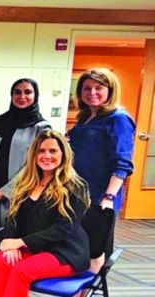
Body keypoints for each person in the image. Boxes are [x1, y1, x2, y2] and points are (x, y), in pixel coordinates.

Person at [0, 130, 91, 297]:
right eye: (41, 151)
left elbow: (63, 228)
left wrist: (20, 242)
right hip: (34, 248)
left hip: (64, 252)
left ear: (63, 154)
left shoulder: (75, 186)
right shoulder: (26, 183)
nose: (46, 156)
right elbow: (13, 218)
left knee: (21, 272)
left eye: (53, 151)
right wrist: (11, 242)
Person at [67, 68, 135, 273]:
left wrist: (108, 197)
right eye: (87, 88)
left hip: (100, 197)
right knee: (75, 248)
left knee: (93, 251)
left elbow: (122, 164)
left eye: (99, 88)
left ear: (110, 90)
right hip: (77, 193)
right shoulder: (85, 117)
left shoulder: (118, 118)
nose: (92, 92)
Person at [0, 78, 50, 229]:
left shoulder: (41, 127)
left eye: (28, 92)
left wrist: (7, 190)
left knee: (15, 239)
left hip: (21, 194)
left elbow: (35, 163)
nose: (22, 96)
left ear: (35, 95)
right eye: (17, 92)